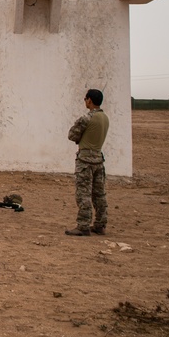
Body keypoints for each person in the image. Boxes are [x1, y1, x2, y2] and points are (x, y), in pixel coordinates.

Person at [65, 89, 110, 236]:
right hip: (98, 159)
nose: (85, 101)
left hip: (85, 161)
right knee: (99, 194)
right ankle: (100, 224)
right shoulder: (105, 118)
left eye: (85, 99)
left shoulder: (86, 119)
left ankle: (83, 225)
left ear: (89, 100)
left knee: (83, 194)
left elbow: (72, 135)